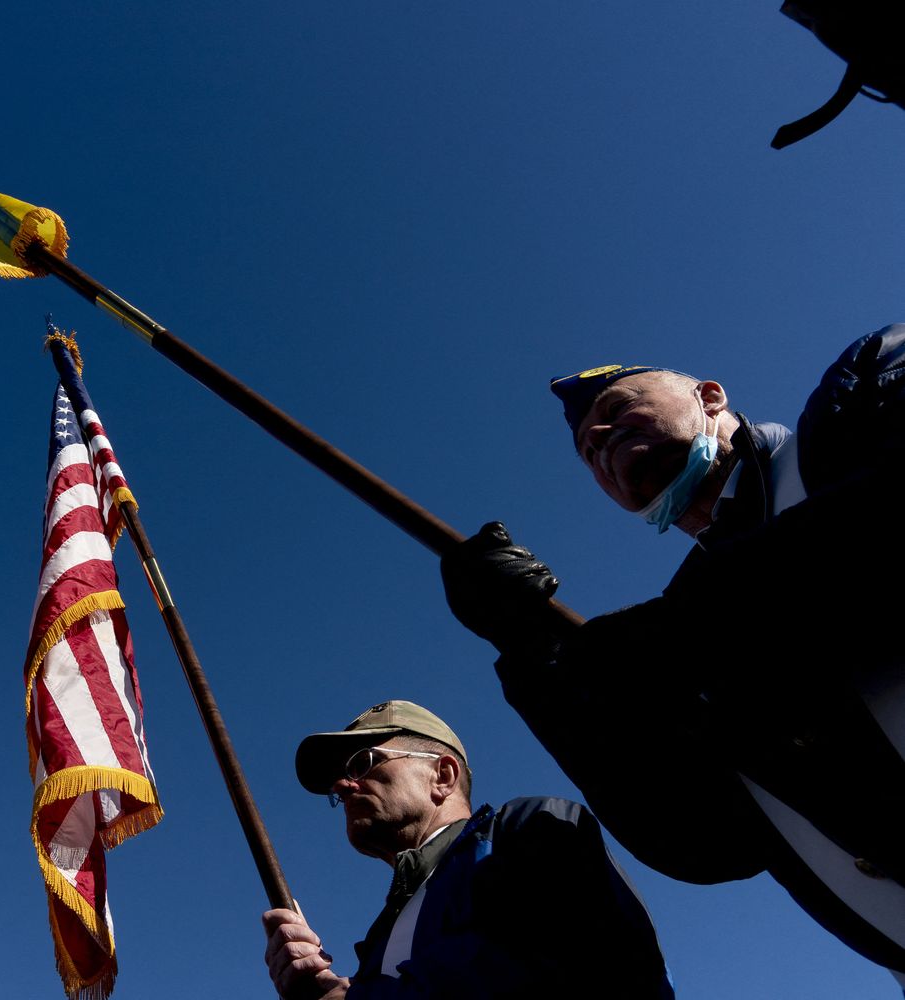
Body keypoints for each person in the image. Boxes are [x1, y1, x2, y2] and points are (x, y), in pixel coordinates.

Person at [439, 327, 905, 976]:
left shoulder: (859, 395)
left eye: (619, 408)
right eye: (588, 450)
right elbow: (702, 841)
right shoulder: (681, 647)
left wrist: (660, 641)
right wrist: (532, 658)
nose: (601, 439)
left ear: (710, 396)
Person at [261, 700, 672, 999]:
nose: (342, 785)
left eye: (363, 762)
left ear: (442, 775)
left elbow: (581, 964)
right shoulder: (380, 945)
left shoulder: (527, 829)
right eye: (339, 781)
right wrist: (316, 989)